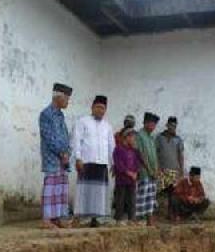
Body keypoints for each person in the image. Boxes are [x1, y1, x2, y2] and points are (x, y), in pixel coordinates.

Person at [71, 95, 115, 227]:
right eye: (98, 107)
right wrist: (78, 158)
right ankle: (84, 218)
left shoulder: (107, 126)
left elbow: (111, 146)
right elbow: (76, 141)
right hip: (86, 162)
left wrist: (113, 163)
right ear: (92, 107)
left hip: (102, 164)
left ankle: (98, 218)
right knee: (86, 191)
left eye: (103, 108)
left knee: (99, 193)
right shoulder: (82, 122)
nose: (101, 110)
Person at [39, 83, 73, 229]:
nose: (68, 101)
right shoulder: (46, 114)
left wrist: (67, 152)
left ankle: (57, 218)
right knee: (51, 187)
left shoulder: (60, 115)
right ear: (58, 97)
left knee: (61, 188)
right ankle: (47, 219)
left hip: (63, 158)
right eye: (66, 98)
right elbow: (49, 137)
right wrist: (61, 153)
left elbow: (65, 136)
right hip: (52, 157)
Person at [156, 116, 184, 217]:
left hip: (174, 171)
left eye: (174, 126)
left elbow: (180, 155)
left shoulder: (178, 139)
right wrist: (157, 167)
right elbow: (156, 153)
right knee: (160, 191)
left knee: (172, 193)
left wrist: (181, 169)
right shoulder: (159, 138)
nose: (172, 127)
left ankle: (170, 213)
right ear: (167, 125)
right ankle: (157, 212)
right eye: (171, 125)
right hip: (162, 170)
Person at [135, 112, 160, 226]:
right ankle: (137, 220)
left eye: (154, 124)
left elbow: (154, 155)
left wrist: (156, 170)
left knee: (151, 196)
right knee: (142, 195)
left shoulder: (151, 137)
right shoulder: (139, 135)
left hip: (153, 172)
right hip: (144, 171)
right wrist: (149, 170)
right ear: (145, 123)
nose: (153, 126)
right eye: (151, 124)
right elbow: (141, 154)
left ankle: (149, 220)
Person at [113, 128, 141, 223]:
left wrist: (136, 173)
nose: (134, 139)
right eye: (133, 137)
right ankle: (118, 220)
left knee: (132, 200)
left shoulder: (134, 150)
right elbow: (119, 165)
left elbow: (137, 163)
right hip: (122, 179)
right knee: (120, 200)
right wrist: (129, 173)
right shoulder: (118, 149)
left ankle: (131, 219)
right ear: (127, 137)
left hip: (132, 180)